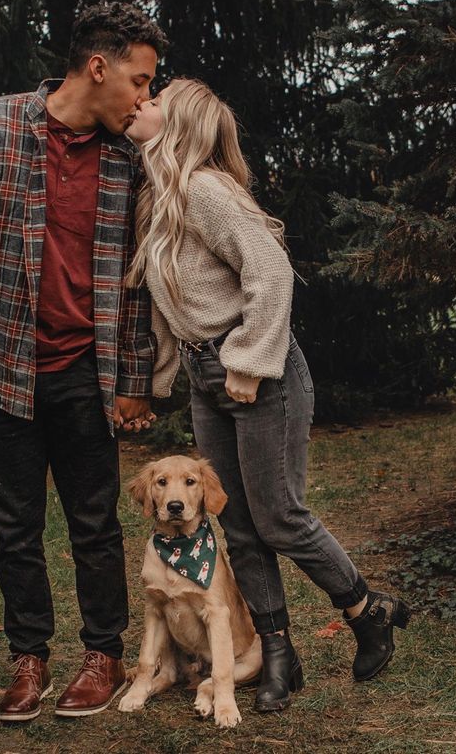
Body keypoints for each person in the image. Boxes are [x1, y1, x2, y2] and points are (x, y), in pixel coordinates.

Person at [125, 78, 410, 713]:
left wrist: (251, 362)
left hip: (260, 371)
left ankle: (367, 610)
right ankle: (279, 653)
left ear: (181, 125)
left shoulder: (205, 189)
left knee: (277, 514)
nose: (140, 101)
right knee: (239, 526)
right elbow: (173, 308)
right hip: (210, 375)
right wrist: (159, 381)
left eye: (154, 98)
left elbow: (271, 269)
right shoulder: (163, 198)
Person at [0, 2, 167, 722]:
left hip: (88, 376)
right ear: (99, 66)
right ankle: (28, 660)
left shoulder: (130, 156)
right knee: (15, 527)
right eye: (141, 80)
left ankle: (104, 656)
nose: (146, 98)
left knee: (96, 524)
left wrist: (132, 381)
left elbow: (138, 277)